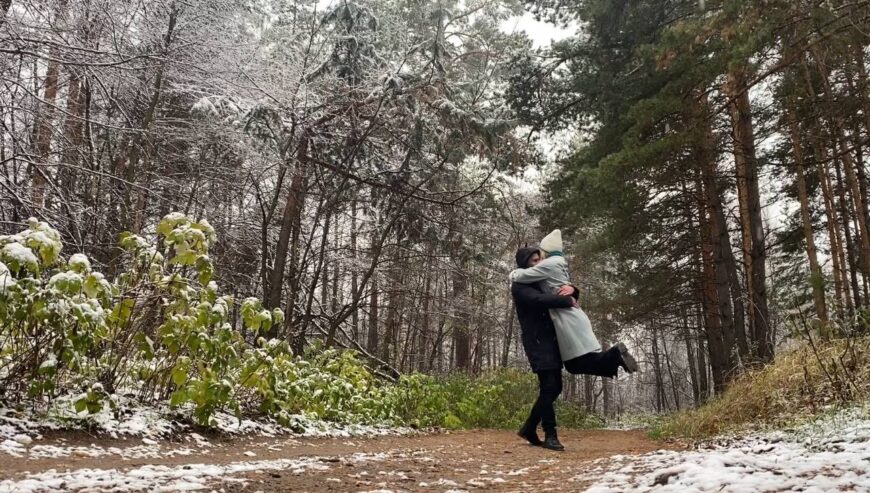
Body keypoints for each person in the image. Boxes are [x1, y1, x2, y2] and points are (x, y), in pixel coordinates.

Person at [511, 242, 638, 452]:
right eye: (534, 261)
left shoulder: (542, 279)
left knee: (574, 367)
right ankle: (550, 435)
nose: (539, 263)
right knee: (550, 386)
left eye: (540, 259)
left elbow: (560, 288)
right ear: (525, 264)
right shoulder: (520, 286)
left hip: (557, 339)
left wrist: (573, 290)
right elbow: (540, 300)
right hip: (538, 342)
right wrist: (568, 301)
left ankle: (529, 428)